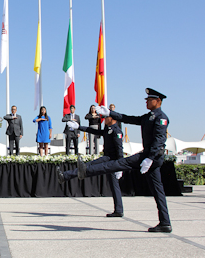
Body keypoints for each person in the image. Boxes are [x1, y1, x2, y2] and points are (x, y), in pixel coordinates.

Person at [62, 88, 172, 233]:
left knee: (118, 164)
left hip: (151, 157)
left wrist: (150, 158)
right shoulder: (147, 117)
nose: (146, 102)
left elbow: (159, 140)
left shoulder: (161, 118)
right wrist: (111, 113)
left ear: (158, 101)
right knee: (158, 191)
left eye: (149, 100)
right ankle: (165, 222)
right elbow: (129, 118)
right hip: (148, 156)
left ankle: (87, 170)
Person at [57, 115, 124, 217]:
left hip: (112, 160)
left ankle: (65, 176)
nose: (104, 119)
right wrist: (79, 127)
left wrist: (120, 166)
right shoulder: (108, 129)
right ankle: (119, 210)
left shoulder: (117, 131)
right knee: (114, 186)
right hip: (108, 158)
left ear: (113, 119)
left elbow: (120, 149)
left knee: (87, 167)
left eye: (106, 117)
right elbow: (94, 131)